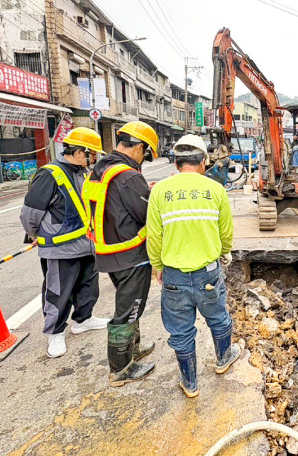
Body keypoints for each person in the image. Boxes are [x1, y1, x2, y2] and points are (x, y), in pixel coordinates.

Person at [146, 134, 239, 398]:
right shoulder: (216, 190)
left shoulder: (160, 191)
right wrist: (224, 253)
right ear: (203, 162)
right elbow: (226, 232)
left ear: (176, 162)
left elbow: (154, 235)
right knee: (218, 317)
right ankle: (223, 359)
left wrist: (157, 265)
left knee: (181, 329)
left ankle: (190, 383)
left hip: (174, 275)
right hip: (208, 272)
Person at [20, 127, 107, 358]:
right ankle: (55, 332)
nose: (94, 158)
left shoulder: (83, 172)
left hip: (87, 245)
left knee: (88, 286)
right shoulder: (49, 174)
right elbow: (30, 214)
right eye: (92, 153)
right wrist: (37, 235)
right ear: (80, 152)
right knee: (58, 292)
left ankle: (84, 319)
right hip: (60, 249)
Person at [83, 121, 159, 387]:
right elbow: (147, 213)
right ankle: (121, 368)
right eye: (146, 154)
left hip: (109, 251)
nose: (144, 160)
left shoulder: (100, 169)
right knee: (128, 309)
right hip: (130, 254)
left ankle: (132, 349)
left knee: (129, 304)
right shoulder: (127, 176)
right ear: (139, 147)